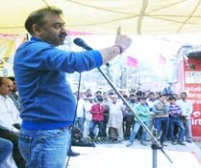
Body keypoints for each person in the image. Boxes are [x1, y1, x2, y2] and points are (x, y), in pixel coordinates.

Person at [13, 6, 132, 168]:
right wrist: (118, 48)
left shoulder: (38, 51)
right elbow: (76, 61)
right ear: (37, 29)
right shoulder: (34, 49)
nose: (64, 31)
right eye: (56, 26)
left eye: (63, 25)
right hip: (46, 133)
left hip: (49, 132)